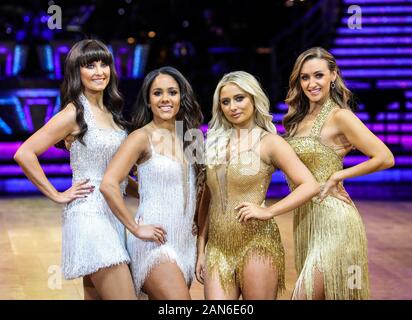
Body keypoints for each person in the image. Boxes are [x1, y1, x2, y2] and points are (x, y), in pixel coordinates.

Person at [13, 39, 145, 300]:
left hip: (114, 215)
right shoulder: (74, 112)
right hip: (90, 217)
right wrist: (56, 194)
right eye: (90, 66)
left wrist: (149, 194)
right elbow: (24, 153)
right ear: (77, 72)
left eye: (104, 64)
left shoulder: (111, 111)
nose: (99, 71)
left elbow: (115, 175)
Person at [195, 71, 319, 300]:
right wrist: (201, 249)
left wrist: (269, 210)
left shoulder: (270, 142)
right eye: (225, 101)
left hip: (257, 243)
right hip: (218, 248)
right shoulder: (213, 142)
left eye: (239, 98)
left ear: (253, 99)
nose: (232, 106)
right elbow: (207, 199)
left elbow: (309, 185)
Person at [283, 47, 395, 300]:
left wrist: (337, 176)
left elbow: (385, 157)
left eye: (318, 75)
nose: (311, 83)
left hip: (335, 220)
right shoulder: (297, 119)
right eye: (304, 77)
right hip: (305, 220)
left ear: (333, 76)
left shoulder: (340, 116)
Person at [100, 66, 204, 299]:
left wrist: (199, 232)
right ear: (148, 100)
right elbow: (109, 183)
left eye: (172, 92)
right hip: (154, 243)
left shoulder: (192, 137)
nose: (165, 99)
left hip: (185, 241)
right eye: (157, 93)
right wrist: (135, 228)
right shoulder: (140, 137)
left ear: (181, 97)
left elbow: (200, 188)